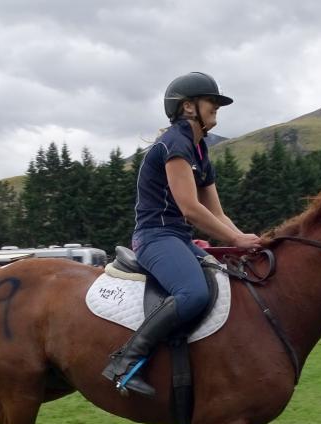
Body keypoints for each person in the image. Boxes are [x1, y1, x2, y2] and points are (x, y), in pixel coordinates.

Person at [102, 71, 262, 397]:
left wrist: (248, 239)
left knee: (223, 283)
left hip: (179, 239)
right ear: (188, 107)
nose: (217, 107)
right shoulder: (175, 144)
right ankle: (124, 360)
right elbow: (190, 208)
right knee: (193, 293)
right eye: (211, 101)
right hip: (155, 237)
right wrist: (233, 240)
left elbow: (216, 213)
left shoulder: (200, 151)